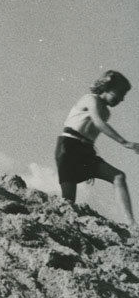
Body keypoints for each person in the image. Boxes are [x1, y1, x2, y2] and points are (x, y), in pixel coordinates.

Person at [55, 70, 139, 226]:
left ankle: (131, 223)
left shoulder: (107, 112)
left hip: (85, 151)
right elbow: (98, 122)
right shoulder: (90, 99)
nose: (121, 99)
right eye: (119, 93)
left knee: (118, 176)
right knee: (68, 201)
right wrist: (124, 142)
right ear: (107, 86)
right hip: (68, 147)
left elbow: (93, 133)